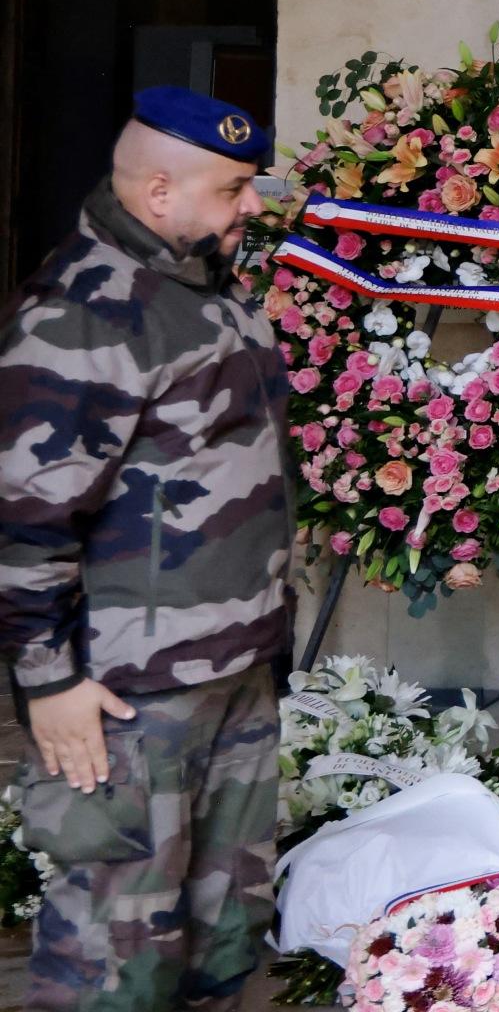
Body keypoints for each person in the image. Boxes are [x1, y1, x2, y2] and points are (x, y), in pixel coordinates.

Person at [3, 89, 292, 1012]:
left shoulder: (202, 287)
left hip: (233, 672)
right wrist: (47, 683)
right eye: (234, 189)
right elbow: (25, 518)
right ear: (159, 192)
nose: (253, 206)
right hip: (131, 697)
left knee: (223, 937)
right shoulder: (85, 315)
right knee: (113, 955)